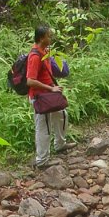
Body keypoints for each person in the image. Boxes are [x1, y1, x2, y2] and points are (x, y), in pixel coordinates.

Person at [26, 25, 76, 169]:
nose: (51, 38)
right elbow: (30, 81)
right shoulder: (35, 56)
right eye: (48, 36)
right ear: (41, 38)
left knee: (62, 115)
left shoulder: (45, 51)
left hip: (49, 95)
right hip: (40, 97)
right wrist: (51, 88)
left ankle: (60, 145)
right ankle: (42, 160)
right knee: (44, 127)